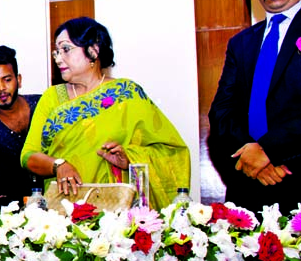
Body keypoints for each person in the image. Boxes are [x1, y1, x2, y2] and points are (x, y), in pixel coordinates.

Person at [21, 17, 189, 210]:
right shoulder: (52, 98)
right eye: (56, 52)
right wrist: (58, 164)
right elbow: (28, 156)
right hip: (63, 218)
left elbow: (172, 152)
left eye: (66, 49)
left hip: (117, 217)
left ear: (93, 50)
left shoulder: (127, 94)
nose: (58, 58)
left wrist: (131, 159)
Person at [208, 0, 301, 213]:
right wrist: (250, 156)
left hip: (294, 174)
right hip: (247, 185)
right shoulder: (242, 43)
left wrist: (267, 150)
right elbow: (221, 113)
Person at [0, 45, 41, 206]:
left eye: (7, 79)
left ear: (18, 80)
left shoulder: (42, 106)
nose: (1, 88)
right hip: (13, 212)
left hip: (58, 199)